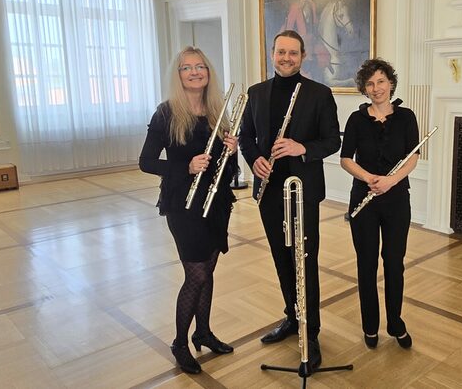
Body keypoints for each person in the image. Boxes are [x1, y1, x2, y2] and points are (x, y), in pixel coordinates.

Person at [239, 30, 341, 371]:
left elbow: (332, 141)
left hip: (303, 191)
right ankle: (291, 317)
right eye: (281, 52)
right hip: (269, 190)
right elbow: (246, 137)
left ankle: (310, 333)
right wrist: (254, 159)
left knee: (304, 260)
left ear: (303, 56)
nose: (286, 58)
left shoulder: (319, 94)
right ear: (272, 53)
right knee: (282, 258)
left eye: (293, 53)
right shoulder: (256, 93)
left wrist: (302, 148)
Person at [139, 46, 237, 374]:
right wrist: (186, 166)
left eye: (200, 67)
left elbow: (227, 168)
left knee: (208, 271)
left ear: (208, 73)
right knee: (196, 273)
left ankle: (204, 332)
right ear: (178, 75)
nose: (195, 72)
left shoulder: (217, 112)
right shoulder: (165, 114)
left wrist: (232, 151)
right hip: (183, 203)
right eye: (186, 68)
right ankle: (180, 341)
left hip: (216, 201)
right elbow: (146, 162)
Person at [340, 58, 419, 350]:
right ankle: (370, 326)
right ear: (364, 88)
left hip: (397, 198)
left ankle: (396, 323)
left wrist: (391, 181)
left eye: (381, 81)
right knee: (366, 264)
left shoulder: (407, 117)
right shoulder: (356, 120)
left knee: (394, 263)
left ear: (391, 83)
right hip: (364, 198)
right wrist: (369, 177)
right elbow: (346, 158)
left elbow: (413, 156)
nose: (376, 88)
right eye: (370, 83)